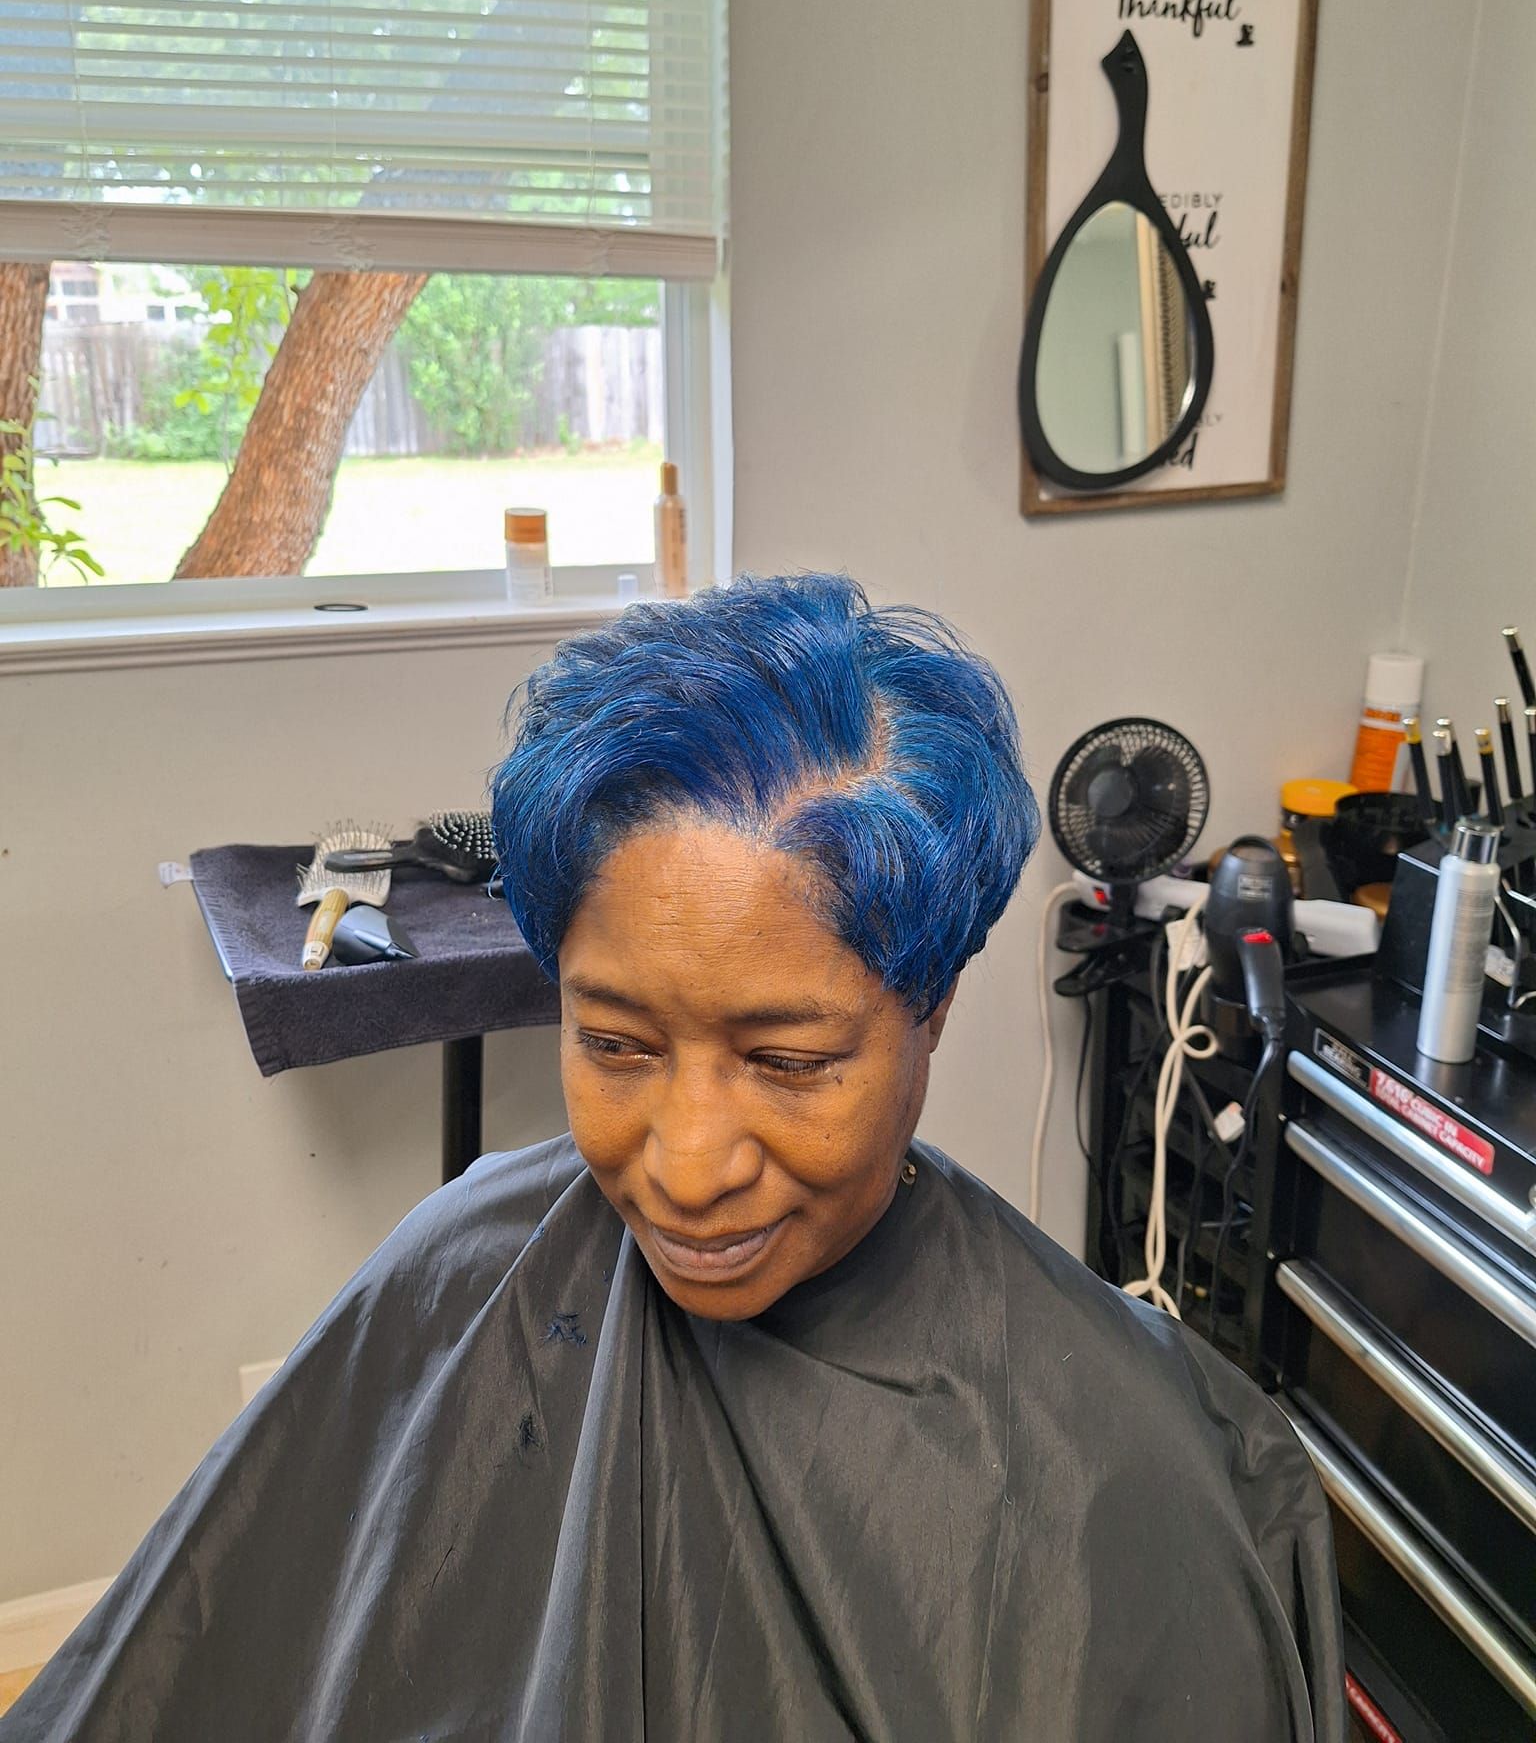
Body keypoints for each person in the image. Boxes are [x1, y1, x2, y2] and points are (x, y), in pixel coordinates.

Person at [3, 573, 1344, 1742]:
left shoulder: (1137, 1477)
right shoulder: (459, 1270)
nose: (689, 1170)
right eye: (620, 1046)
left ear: (929, 1007)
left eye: (788, 1061)